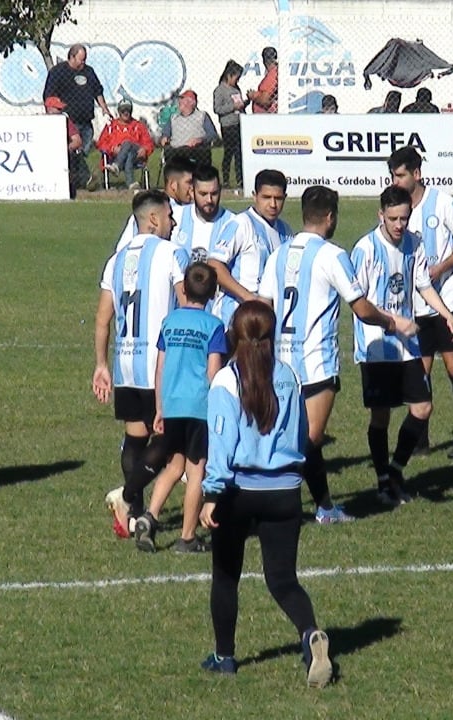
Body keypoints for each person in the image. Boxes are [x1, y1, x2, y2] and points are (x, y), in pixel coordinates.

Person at [258, 186, 414, 523]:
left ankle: (322, 506)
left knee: (286, 436)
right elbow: (360, 307)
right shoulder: (332, 255)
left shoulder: (279, 254)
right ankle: (287, 505)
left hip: (280, 363)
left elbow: (264, 308)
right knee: (309, 441)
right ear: (331, 217)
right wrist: (392, 322)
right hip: (316, 364)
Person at [198, 300, 333, 689]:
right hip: (284, 493)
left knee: (225, 577)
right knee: (283, 579)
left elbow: (222, 443)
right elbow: (303, 437)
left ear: (233, 337)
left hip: (238, 493)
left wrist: (211, 493)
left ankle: (224, 656)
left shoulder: (226, 380)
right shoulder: (289, 376)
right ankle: (309, 633)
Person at [352, 187, 453, 505]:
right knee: (381, 417)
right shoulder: (365, 249)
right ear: (381, 216)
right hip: (376, 347)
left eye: (404, 217)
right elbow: (357, 302)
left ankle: (397, 469)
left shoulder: (414, 243)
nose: (400, 224)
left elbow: (423, 285)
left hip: (407, 345)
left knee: (423, 407)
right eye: (393, 219)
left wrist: (447, 316)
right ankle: (382, 479)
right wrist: (392, 321)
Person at [95, 190, 189, 536]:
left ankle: (132, 513)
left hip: (126, 364)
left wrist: (101, 364)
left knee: (135, 438)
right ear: (153, 219)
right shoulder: (171, 252)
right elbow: (186, 303)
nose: (173, 221)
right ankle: (129, 494)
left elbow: (103, 318)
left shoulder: (116, 260)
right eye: (169, 215)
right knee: (170, 440)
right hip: (158, 365)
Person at [388, 148, 453, 459]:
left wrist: (440, 269)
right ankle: (421, 441)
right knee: (420, 371)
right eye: (393, 176)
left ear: (417, 174)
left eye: (401, 175)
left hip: (450, 300)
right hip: (416, 305)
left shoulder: (441, 202)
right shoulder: (396, 210)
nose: (396, 181)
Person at [133, 262, 226, 554]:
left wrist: (159, 407)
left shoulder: (169, 322)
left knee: (174, 465)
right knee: (196, 469)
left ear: (183, 289)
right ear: (213, 293)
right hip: (198, 406)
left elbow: (160, 367)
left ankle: (150, 516)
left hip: (171, 404)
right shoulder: (214, 327)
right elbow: (213, 372)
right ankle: (187, 537)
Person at [207, 169, 294, 325]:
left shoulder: (286, 231)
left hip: (267, 319)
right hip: (234, 319)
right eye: (266, 197)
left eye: (278, 198)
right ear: (255, 196)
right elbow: (214, 265)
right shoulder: (241, 223)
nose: (273, 204)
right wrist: (249, 298)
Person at [113, 156, 195, 253]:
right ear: (173, 184)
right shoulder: (181, 212)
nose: (193, 187)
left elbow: (121, 250)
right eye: (189, 182)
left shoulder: (144, 209)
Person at [43, 44, 111, 155]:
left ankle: (80, 172)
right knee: (70, 154)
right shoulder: (58, 72)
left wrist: (104, 108)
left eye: (85, 60)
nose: (83, 62)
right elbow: (49, 96)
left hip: (86, 122)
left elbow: (97, 91)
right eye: (81, 60)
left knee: (83, 154)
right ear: (72, 57)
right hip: (69, 123)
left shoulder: (88, 71)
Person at [176, 164, 234, 264]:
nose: (209, 200)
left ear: (220, 190)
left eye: (214, 193)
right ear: (191, 192)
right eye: (203, 194)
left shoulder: (232, 223)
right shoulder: (176, 217)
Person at [96, 99, 153, 190]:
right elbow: (101, 143)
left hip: (137, 155)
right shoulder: (111, 126)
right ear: (119, 112)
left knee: (127, 143)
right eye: (123, 111)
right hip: (115, 156)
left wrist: (145, 150)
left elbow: (149, 143)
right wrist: (112, 149)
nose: (126, 113)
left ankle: (117, 166)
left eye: (128, 110)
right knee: (128, 154)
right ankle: (130, 183)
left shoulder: (138, 126)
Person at [160, 90, 218, 170]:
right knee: (169, 152)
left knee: (200, 152)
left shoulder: (202, 116)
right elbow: (166, 132)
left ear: (191, 102)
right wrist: (165, 137)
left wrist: (199, 140)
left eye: (182, 99)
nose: (179, 102)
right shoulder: (173, 118)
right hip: (176, 150)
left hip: (195, 149)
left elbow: (212, 134)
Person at [212, 60, 246, 189]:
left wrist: (244, 103)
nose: (237, 81)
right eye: (236, 77)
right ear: (229, 75)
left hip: (239, 123)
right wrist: (233, 106)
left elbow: (240, 104)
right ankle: (225, 179)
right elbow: (217, 109)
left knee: (239, 153)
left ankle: (240, 179)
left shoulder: (236, 88)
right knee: (229, 153)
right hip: (228, 125)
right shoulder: (220, 90)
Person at [45, 96, 86, 195]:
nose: (61, 111)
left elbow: (77, 141)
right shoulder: (39, 121)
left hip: (63, 154)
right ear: (49, 109)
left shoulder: (65, 120)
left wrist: (64, 149)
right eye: (58, 109)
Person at [247, 46, 278, 114]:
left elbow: (265, 100)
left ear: (264, 60)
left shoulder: (272, 75)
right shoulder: (276, 72)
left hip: (266, 117)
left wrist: (253, 96)